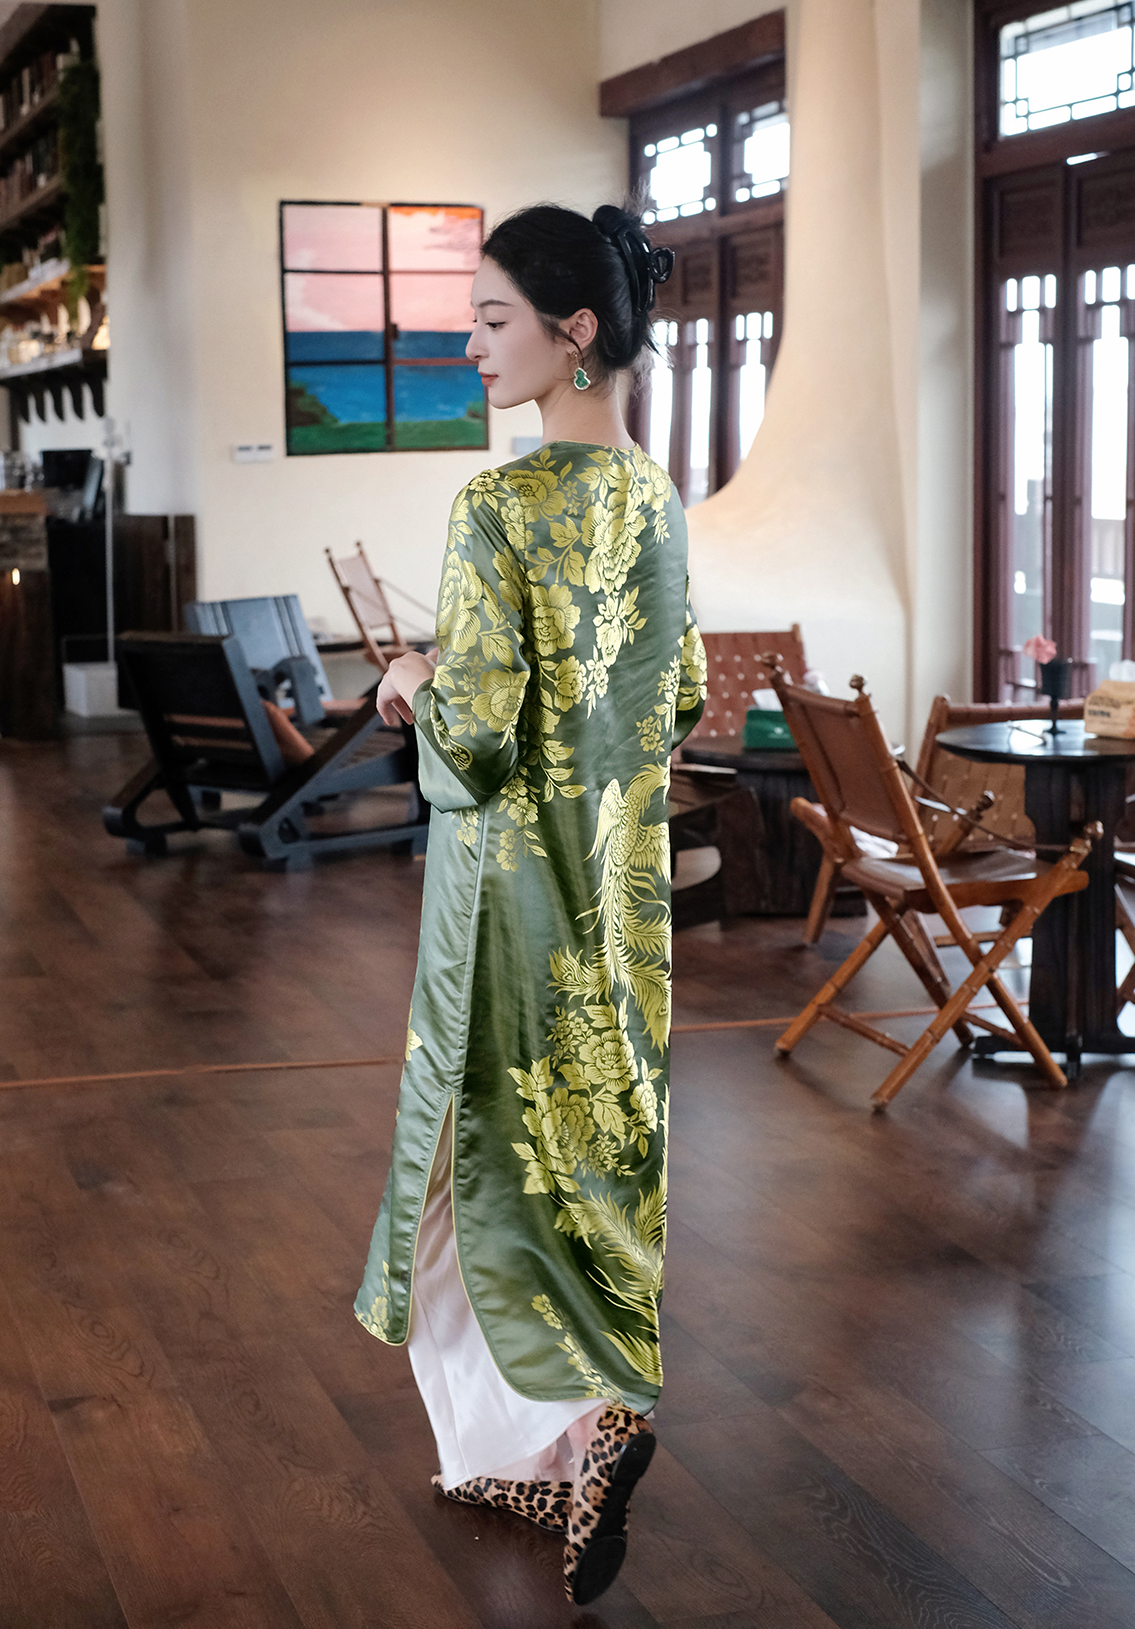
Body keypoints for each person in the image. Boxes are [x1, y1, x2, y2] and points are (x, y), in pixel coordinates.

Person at [354, 202, 707, 1606]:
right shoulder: (653, 497)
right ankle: (566, 1441)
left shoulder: (496, 506)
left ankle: (584, 1419)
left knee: (472, 1167)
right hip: (617, 896)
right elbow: (677, 695)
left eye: (493, 318)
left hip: (505, 900)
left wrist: (414, 683)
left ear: (574, 333)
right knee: (586, 1150)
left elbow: (480, 743)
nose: (472, 344)